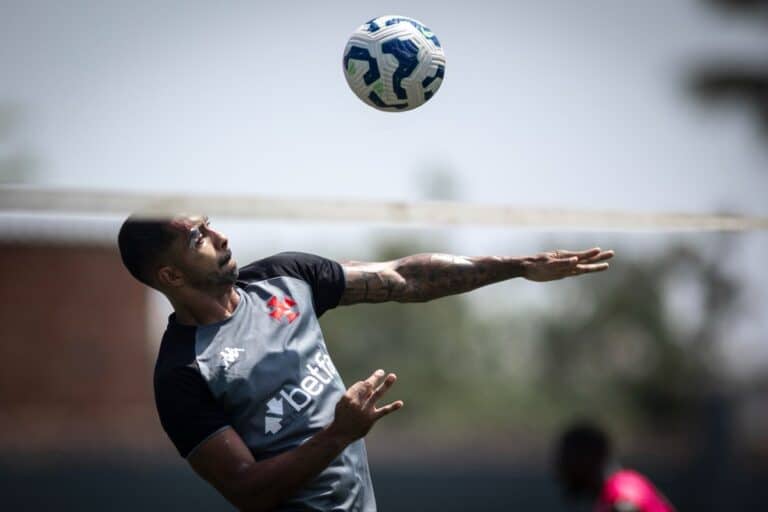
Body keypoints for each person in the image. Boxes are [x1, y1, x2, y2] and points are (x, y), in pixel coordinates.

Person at [117, 214, 614, 511]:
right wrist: (339, 433)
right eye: (197, 238)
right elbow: (247, 491)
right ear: (170, 274)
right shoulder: (182, 373)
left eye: (208, 224)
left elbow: (404, 278)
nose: (220, 237)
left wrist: (519, 267)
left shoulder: (284, 278)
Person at [554, 422, 676, 512]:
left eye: (567, 460)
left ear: (588, 459)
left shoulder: (621, 494)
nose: (560, 469)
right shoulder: (616, 491)